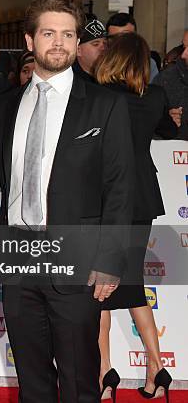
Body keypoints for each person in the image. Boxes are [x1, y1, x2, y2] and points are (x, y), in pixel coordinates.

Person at [0, 0, 134, 403]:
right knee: (32, 381)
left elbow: (121, 186)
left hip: (78, 260)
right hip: (19, 258)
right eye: (49, 33)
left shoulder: (105, 105)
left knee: (79, 381)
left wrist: (110, 260)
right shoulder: (6, 105)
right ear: (30, 41)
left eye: (68, 35)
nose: (59, 43)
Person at [94, 32, 176, 402]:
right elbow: (172, 130)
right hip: (142, 197)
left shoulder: (98, 96)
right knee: (132, 283)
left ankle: (103, 373)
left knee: (97, 287)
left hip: (105, 196)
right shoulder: (156, 96)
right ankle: (157, 368)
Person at [153, 29, 188, 139]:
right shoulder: (166, 79)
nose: (184, 55)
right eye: (184, 47)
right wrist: (166, 122)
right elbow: (148, 126)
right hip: (174, 152)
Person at [106, 12, 159, 82]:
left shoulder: (148, 64)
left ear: (135, 38)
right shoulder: (100, 63)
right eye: (114, 38)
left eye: (126, 37)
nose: (119, 43)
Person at [73, 16, 107, 83]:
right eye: (96, 44)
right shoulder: (70, 81)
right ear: (78, 50)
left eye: (105, 43)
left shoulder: (112, 78)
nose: (103, 48)